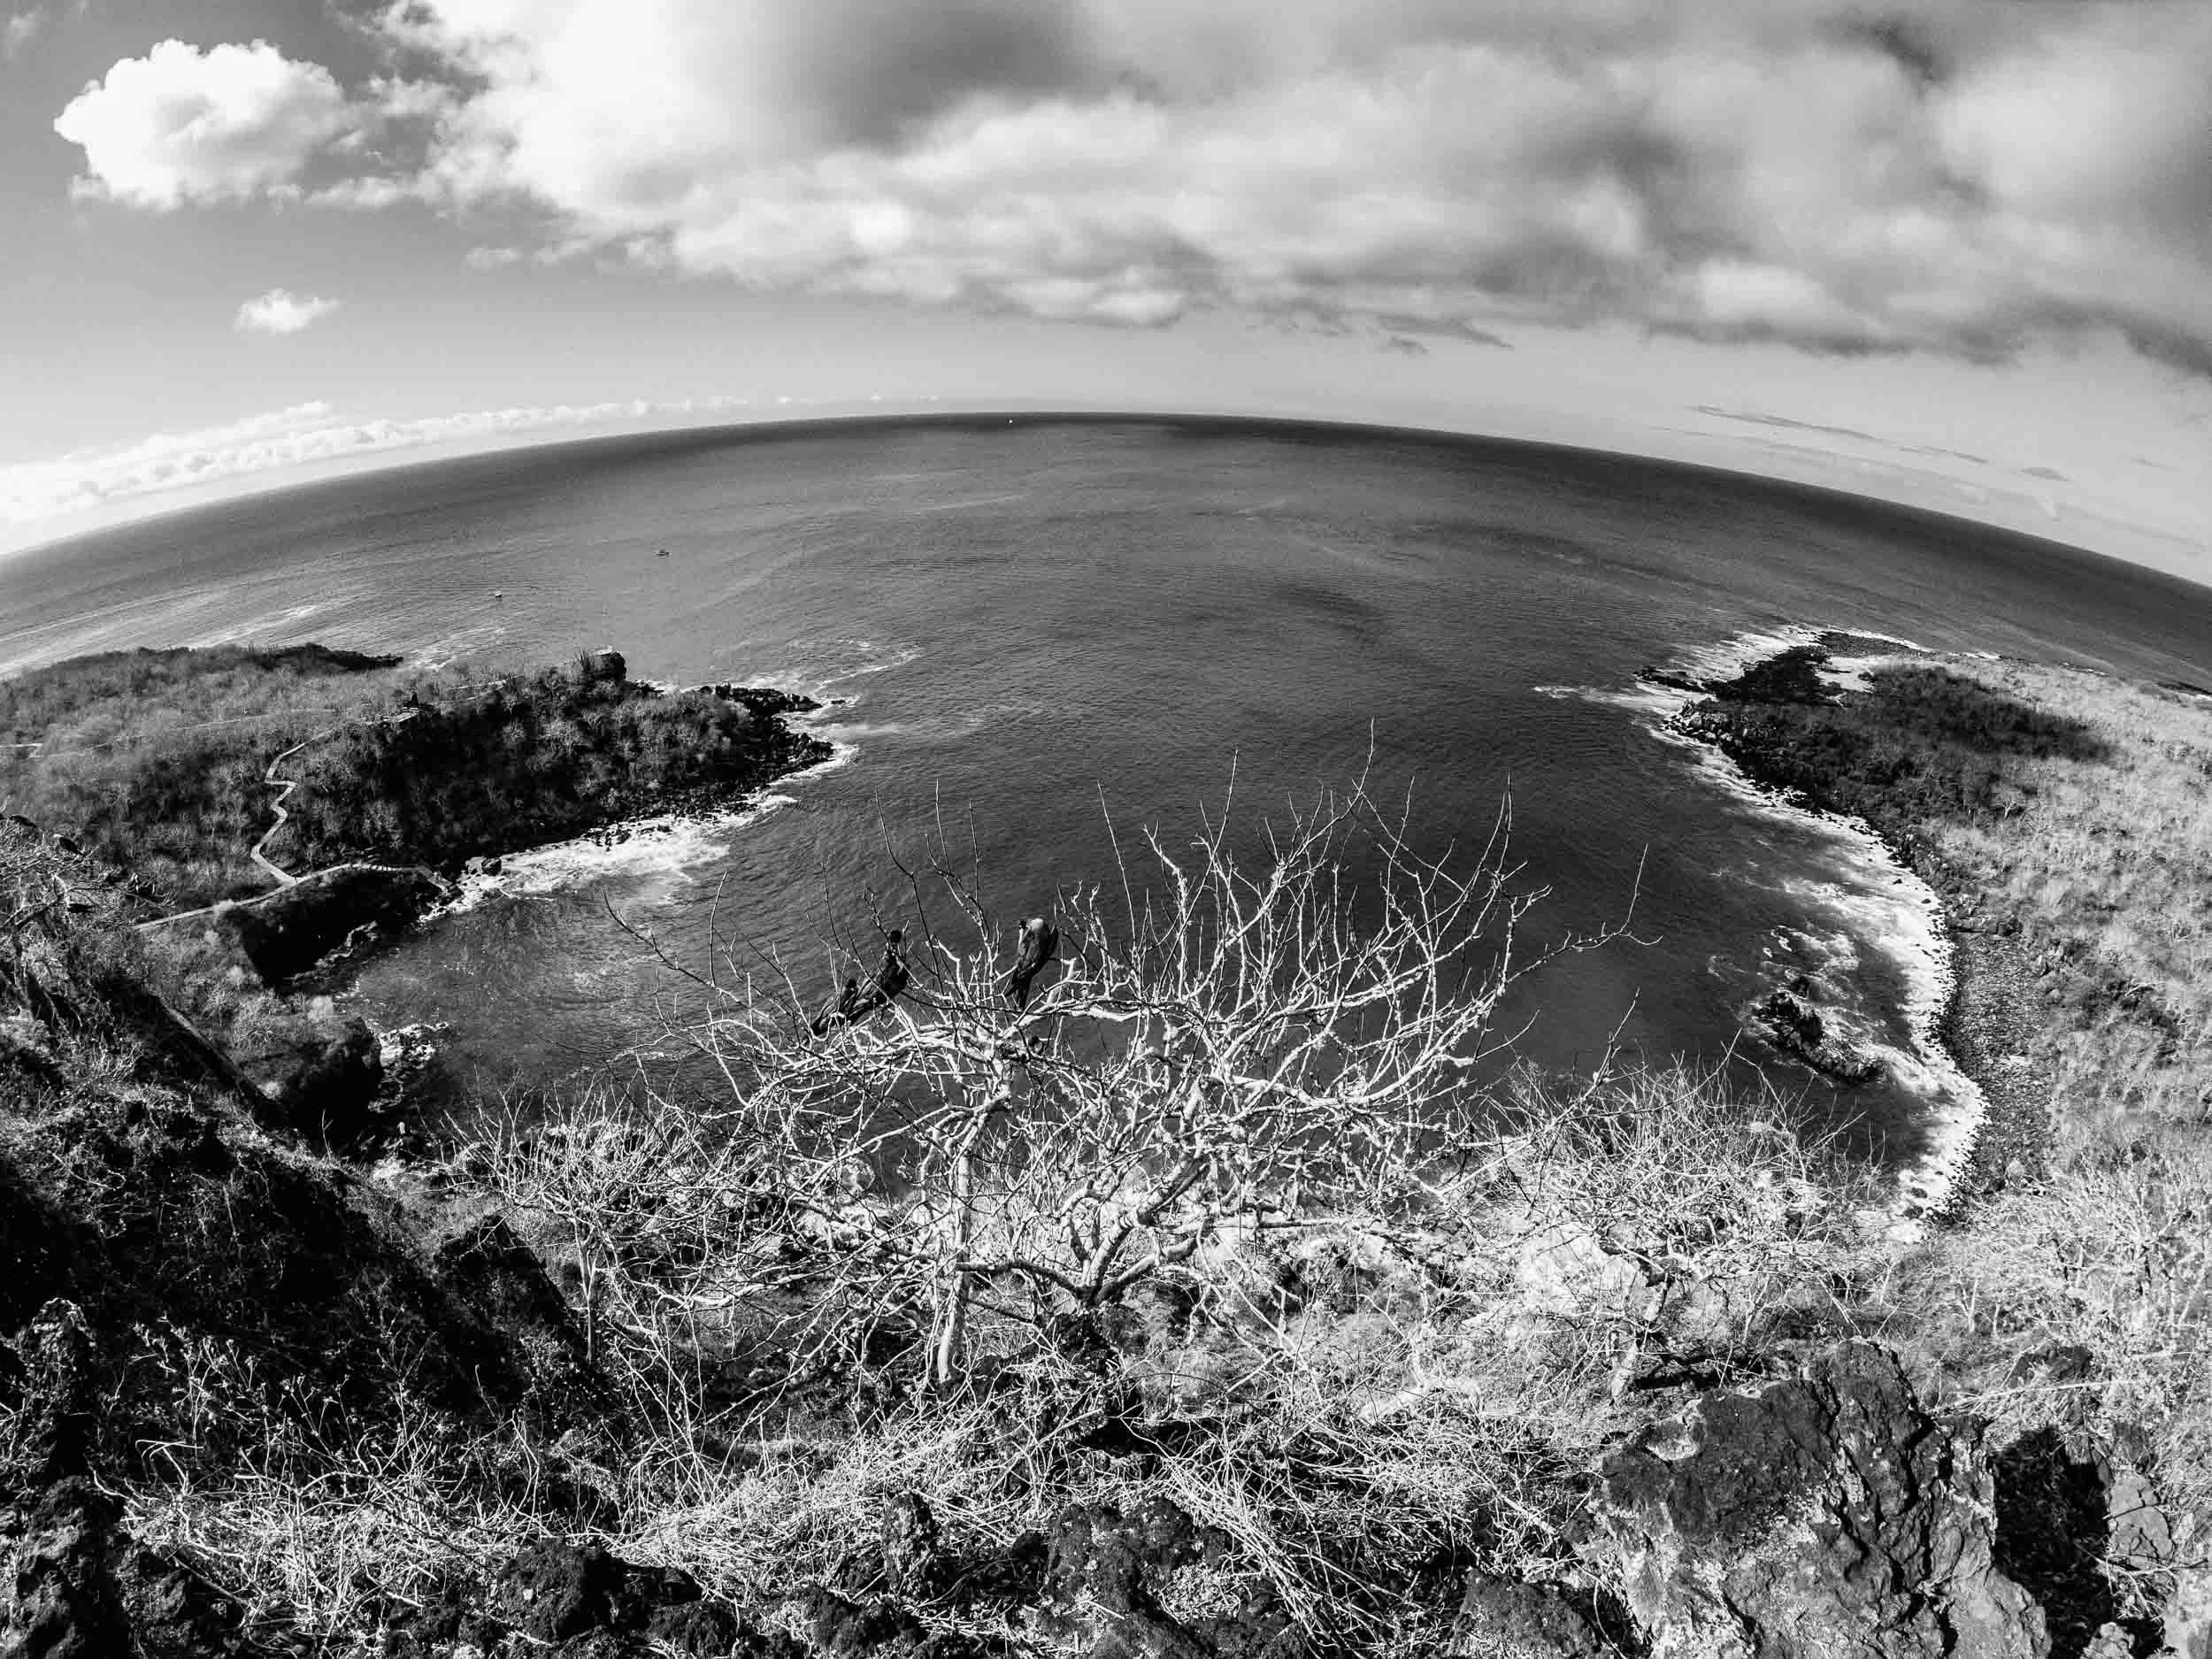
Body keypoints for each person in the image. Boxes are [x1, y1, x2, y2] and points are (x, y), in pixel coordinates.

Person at [1003, 916, 1059, 1009]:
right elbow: (1023, 951)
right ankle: (1019, 1005)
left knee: (1023, 984)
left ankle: (1018, 1005)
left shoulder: (1034, 932)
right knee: (1023, 984)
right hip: (1027, 965)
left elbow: (1022, 950)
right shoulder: (1037, 931)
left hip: (1028, 966)